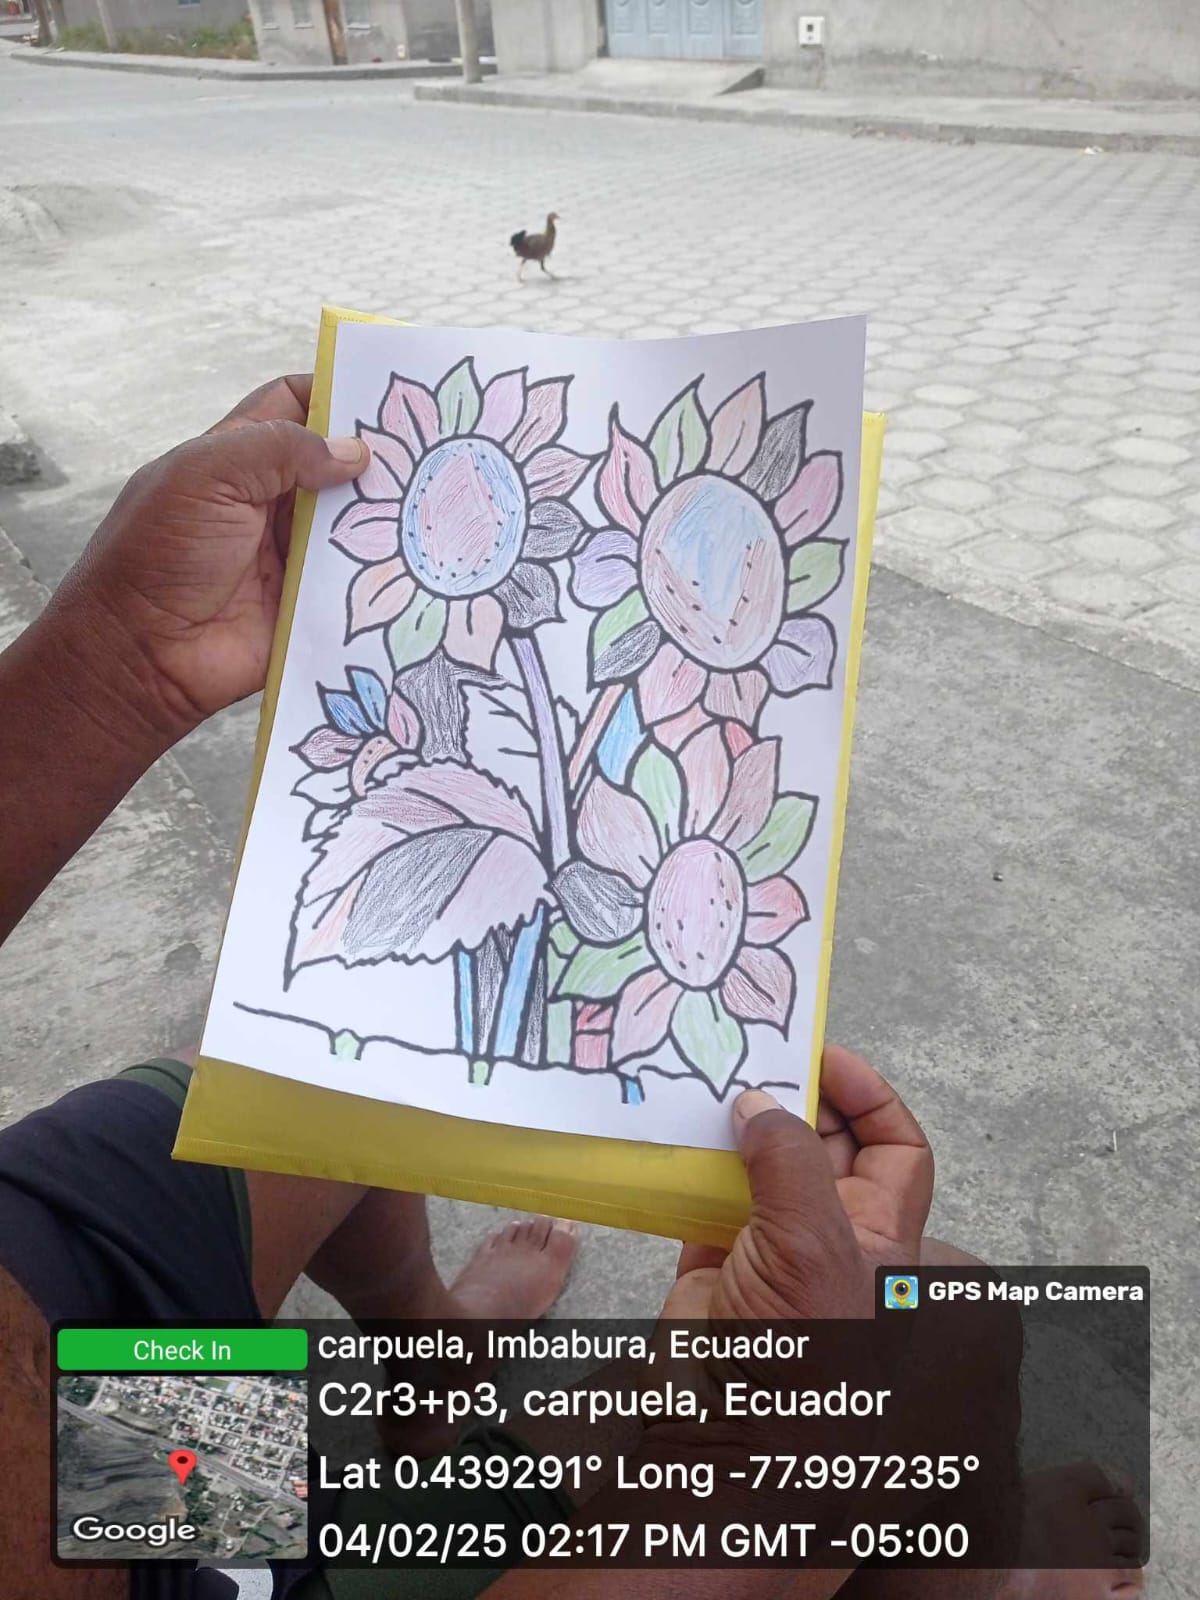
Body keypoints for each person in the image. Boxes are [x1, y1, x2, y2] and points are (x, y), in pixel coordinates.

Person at [0, 379, 1142, 1600]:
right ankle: (993, 1579)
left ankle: (432, 1355)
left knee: (316, 1066)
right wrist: (747, 1470)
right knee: (936, 1327)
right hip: (140, 1537)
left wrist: (124, 658)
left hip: (52, 1298)